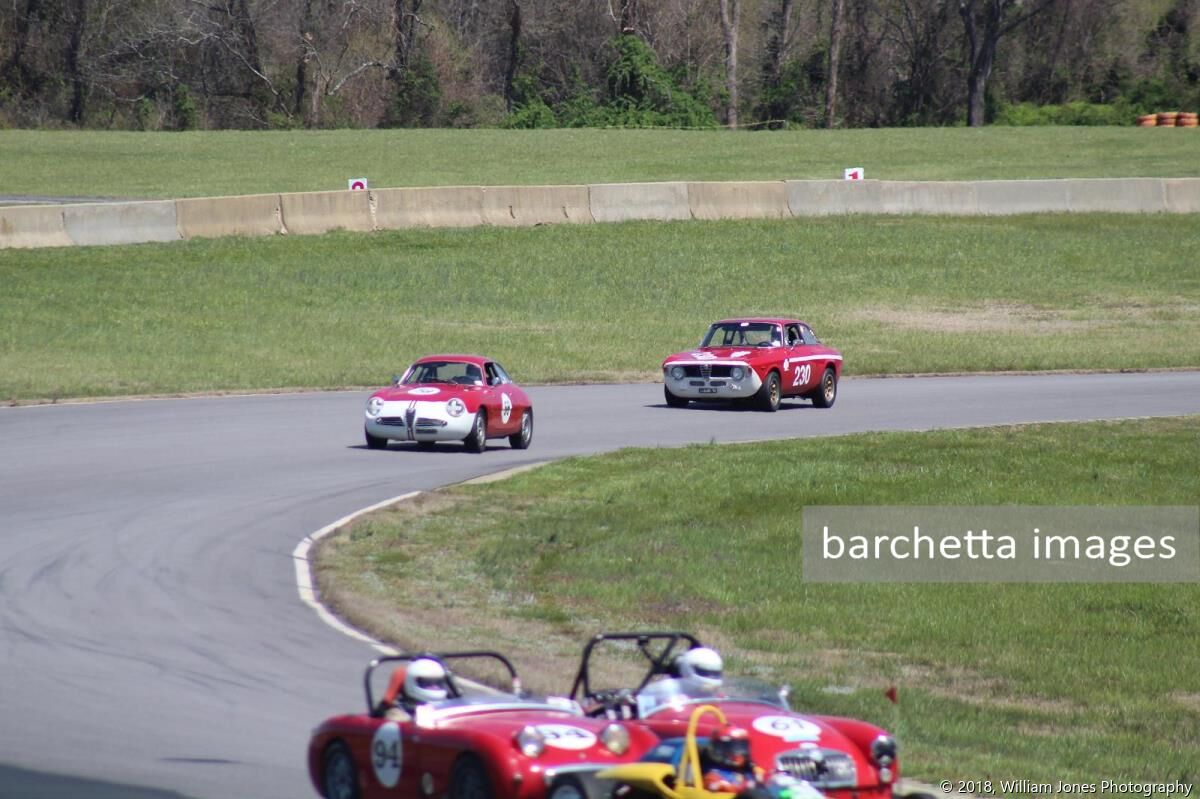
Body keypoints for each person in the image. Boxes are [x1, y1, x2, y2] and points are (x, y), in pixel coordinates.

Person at [701, 724, 762, 793]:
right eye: (733, 748)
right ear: (719, 749)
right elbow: (714, 786)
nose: (738, 754)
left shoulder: (749, 771)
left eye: (742, 747)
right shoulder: (712, 775)